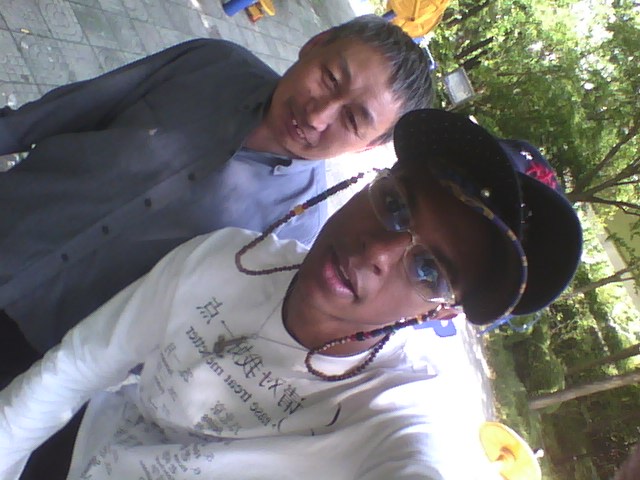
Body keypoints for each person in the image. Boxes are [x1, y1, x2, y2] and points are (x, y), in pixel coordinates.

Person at [0, 109, 583, 479]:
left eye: (429, 270)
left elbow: (425, 458)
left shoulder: (398, 409)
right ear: (366, 184)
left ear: (443, 311)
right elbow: (79, 366)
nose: (378, 253)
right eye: (396, 206)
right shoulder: (223, 258)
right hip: (77, 449)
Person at [0, 15, 434, 361]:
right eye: (330, 78)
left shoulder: (294, 236)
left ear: (368, 147)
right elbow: (67, 109)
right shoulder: (211, 64)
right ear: (314, 43)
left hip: (42, 347)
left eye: (353, 119)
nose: (318, 114)